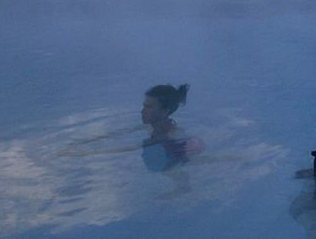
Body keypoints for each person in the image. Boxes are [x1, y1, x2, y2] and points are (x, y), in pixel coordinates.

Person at [59, 84, 207, 196]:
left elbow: (129, 148)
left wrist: (81, 154)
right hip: (165, 151)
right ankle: (182, 184)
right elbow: (118, 133)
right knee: (162, 164)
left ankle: (183, 187)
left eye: (149, 107)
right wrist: (80, 143)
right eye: (143, 105)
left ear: (165, 111)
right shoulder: (150, 126)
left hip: (176, 150)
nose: (142, 111)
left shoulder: (169, 134)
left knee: (170, 168)